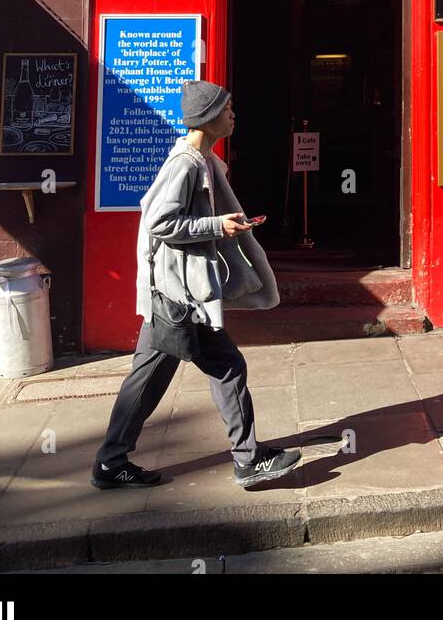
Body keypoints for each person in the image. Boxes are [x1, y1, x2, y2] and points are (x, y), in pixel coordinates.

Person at [92, 81, 301, 491]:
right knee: (225, 367)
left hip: (175, 292)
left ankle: (109, 463)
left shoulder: (204, 160)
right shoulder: (185, 165)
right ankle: (247, 460)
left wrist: (224, 225)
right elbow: (158, 222)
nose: (233, 115)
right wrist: (215, 226)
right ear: (208, 117)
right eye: (227, 109)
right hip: (178, 295)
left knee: (150, 378)